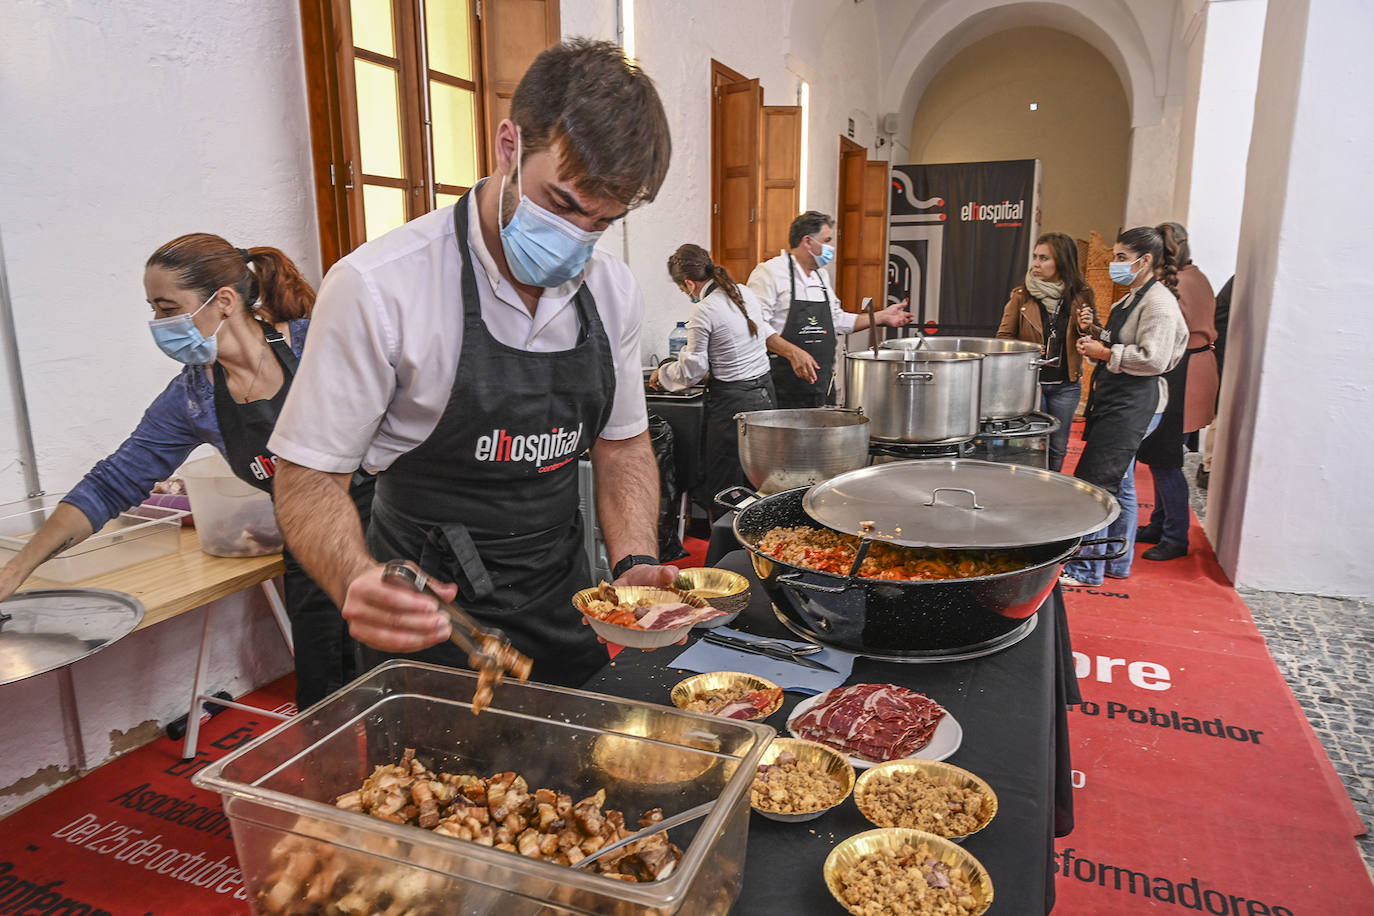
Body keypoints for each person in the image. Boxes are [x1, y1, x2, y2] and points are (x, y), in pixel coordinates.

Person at [267, 40, 675, 689]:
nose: (578, 237)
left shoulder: (613, 291)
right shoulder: (380, 287)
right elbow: (307, 478)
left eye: (603, 221)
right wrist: (354, 576)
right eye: (564, 204)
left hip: (564, 610)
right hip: (431, 626)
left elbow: (622, 446)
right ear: (509, 146)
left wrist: (633, 562)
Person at [0, 233, 372, 708]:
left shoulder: (316, 342)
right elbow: (111, 483)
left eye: (167, 307)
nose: (158, 323)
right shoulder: (193, 400)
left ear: (223, 302)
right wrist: (16, 570)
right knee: (325, 703)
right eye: (154, 309)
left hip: (394, 534)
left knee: (411, 682)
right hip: (313, 559)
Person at [1060, 227, 1188, 587]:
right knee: (1123, 484)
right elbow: (1122, 340)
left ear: (1145, 260)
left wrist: (1105, 353)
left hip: (1134, 403)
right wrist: (1097, 331)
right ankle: (1118, 562)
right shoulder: (1130, 298)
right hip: (1117, 398)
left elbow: (1153, 358)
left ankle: (1087, 569)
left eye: (1120, 257)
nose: (1114, 264)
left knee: (1098, 483)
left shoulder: (1159, 303)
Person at [650, 244, 775, 517]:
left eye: (683, 290)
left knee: (725, 484)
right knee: (758, 478)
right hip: (766, 395)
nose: (686, 294)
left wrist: (662, 373)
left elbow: (692, 370)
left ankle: (726, 547)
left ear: (688, 283)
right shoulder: (744, 292)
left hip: (734, 404)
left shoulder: (704, 310)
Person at [747, 210, 913, 408]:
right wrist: (792, 353)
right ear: (807, 241)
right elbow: (754, 324)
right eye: (827, 240)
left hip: (821, 386)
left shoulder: (821, 277)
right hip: (781, 387)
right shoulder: (769, 273)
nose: (831, 247)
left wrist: (880, 317)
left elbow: (837, 320)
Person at [1135, 222, 1219, 561]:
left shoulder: (1176, 284)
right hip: (1196, 368)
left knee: (1165, 459)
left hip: (1183, 373)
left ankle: (1175, 537)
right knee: (1163, 455)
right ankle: (1161, 522)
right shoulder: (1196, 276)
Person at [996, 231, 1095, 471]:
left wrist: (1087, 328)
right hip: (1031, 384)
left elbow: (1095, 337)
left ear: (1062, 261)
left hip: (1067, 385)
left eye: (1044, 258)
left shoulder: (1082, 294)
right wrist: (1028, 350)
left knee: (1058, 448)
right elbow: (1003, 339)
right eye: (1035, 257)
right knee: (1030, 447)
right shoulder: (1021, 295)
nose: (1036, 264)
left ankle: (1052, 493)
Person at [1197, 274, 1233, 490]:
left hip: (1225, 355)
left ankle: (1209, 466)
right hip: (1224, 356)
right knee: (1219, 418)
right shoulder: (1239, 282)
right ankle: (1209, 467)